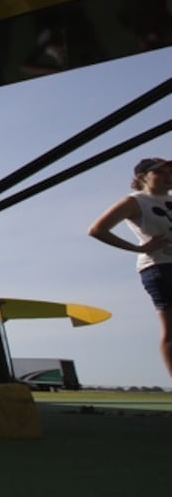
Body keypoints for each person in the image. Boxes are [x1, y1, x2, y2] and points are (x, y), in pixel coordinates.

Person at [88, 156, 172, 378]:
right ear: (142, 177)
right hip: (160, 268)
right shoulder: (135, 202)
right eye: (160, 172)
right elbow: (97, 230)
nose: (168, 176)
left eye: (170, 171)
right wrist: (141, 248)